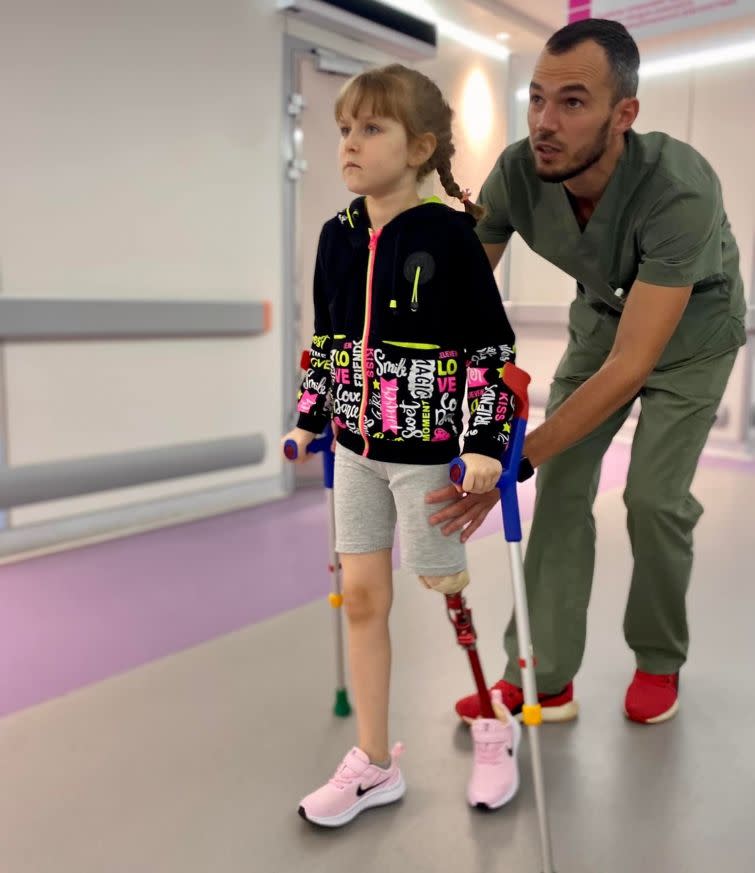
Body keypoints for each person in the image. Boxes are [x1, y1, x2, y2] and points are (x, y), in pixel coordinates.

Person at [426, 18, 746, 726]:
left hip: (694, 337)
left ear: (622, 113)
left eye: (571, 102)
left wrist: (518, 457)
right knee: (562, 493)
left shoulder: (677, 187)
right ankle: (541, 675)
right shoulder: (517, 169)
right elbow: (462, 301)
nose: (544, 120)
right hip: (603, 322)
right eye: (536, 98)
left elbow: (635, 365)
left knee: (652, 499)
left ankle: (658, 658)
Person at [282, 64, 521, 827]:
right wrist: (309, 419)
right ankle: (374, 763)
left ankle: (494, 723)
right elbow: (325, 342)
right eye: (344, 129)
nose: (349, 143)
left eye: (370, 128)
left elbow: (490, 348)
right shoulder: (336, 236)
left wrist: (483, 440)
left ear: (419, 147)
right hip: (351, 450)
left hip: (424, 454)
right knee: (360, 597)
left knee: (443, 586)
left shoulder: (451, 237)